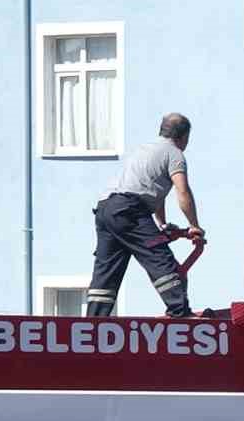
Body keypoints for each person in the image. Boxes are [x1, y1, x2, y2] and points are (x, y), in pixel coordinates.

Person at [86, 113, 206, 318]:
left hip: (106, 209)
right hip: (130, 210)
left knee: (107, 269)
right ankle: (180, 312)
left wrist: (162, 224)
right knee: (160, 258)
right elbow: (182, 191)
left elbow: (154, 193)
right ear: (184, 136)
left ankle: (93, 323)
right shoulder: (174, 153)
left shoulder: (145, 150)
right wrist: (194, 225)